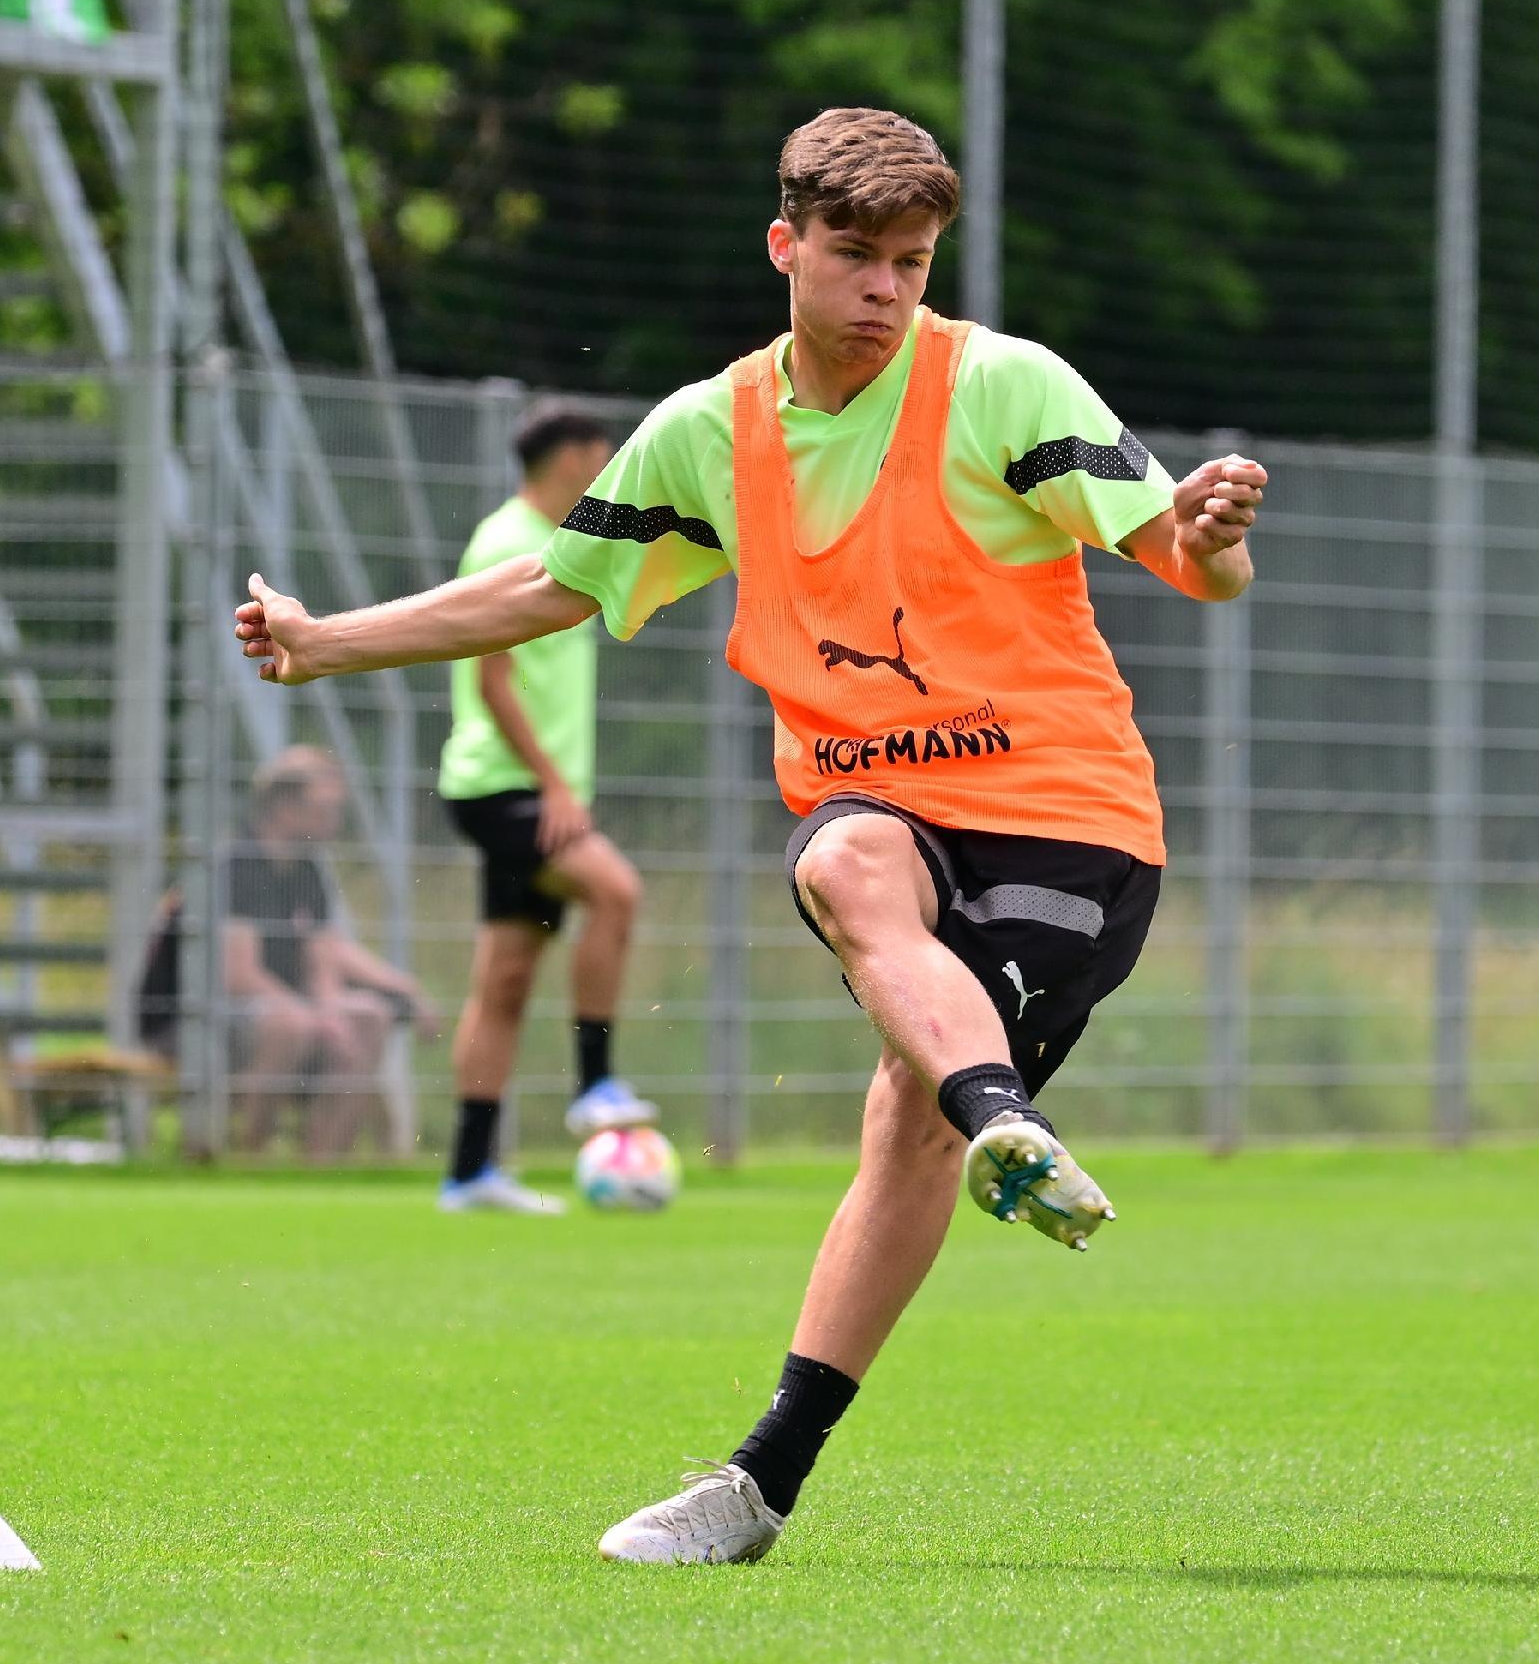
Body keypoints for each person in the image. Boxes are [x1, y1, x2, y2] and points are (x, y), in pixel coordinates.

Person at [230, 107, 1267, 1566]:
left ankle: (767, 1472)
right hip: (886, 817)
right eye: (856, 256)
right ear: (787, 246)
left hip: (1067, 819)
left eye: (911, 262)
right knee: (843, 863)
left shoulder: (1006, 387)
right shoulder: (711, 430)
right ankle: (1000, 1130)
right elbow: (552, 586)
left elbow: (1178, 556)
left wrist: (1210, 539)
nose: (887, 289)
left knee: (900, 1120)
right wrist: (329, 642)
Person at [433, 401, 659, 1216]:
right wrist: (557, 786)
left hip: (517, 788)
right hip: (505, 788)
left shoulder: (562, 540)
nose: (604, 470)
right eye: (600, 456)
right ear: (572, 457)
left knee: (504, 980)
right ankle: (595, 1083)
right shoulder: (507, 543)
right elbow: (492, 681)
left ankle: (467, 1172)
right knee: (615, 891)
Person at [138, 745, 434, 1158]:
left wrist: (337, 1010)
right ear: (284, 806)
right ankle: (249, 1157)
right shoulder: (235, 865)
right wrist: (314, 1015)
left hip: (270, 1014)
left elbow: (322, 957)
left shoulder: (306, 866)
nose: (336, 820)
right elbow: (238, 977)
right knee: (290, 1024)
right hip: (189, 1021)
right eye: (325, 807)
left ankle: (319, 1167)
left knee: (368, 1017)